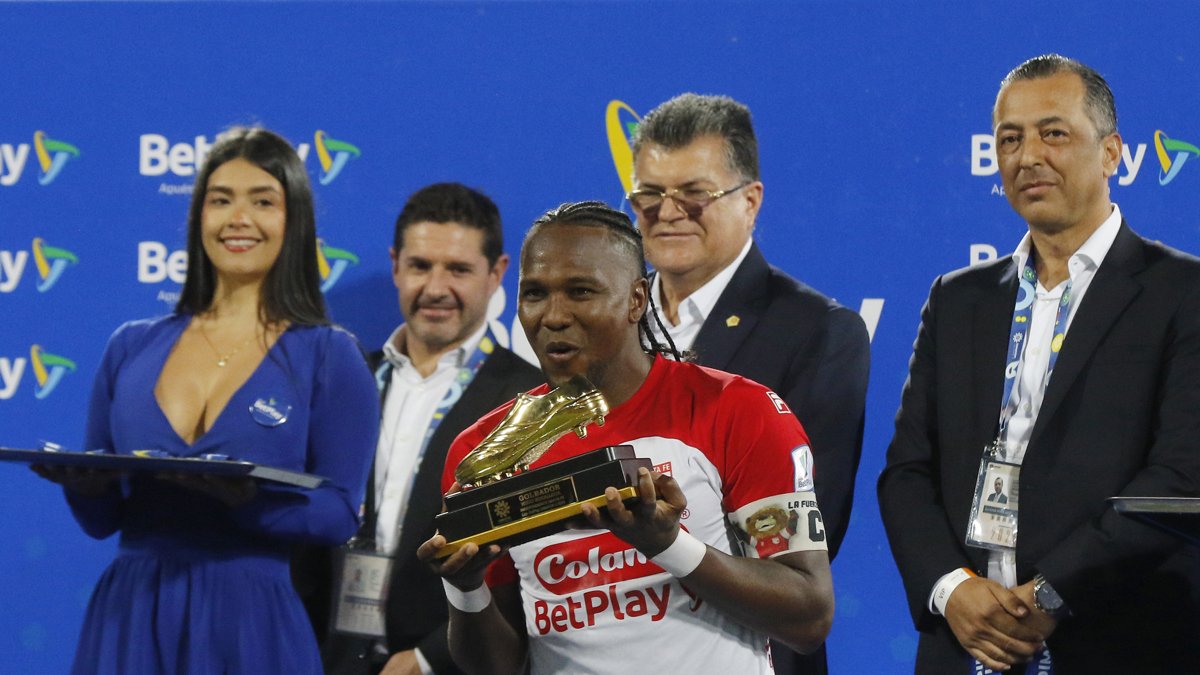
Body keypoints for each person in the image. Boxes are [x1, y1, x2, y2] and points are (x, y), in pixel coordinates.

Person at [878, 54, 1200, 673]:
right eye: (1010, 138)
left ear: (1111, 154)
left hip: (1118, 641)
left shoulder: (1181, 293)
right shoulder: (958, 298)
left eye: (1053, 133)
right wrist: (953, 591)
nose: (1028, 156)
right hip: (965, 644)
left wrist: (1053, 593)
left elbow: (1180, 481)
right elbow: (908, 473)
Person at [418, 201, 834, 674]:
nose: (552, 316)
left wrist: (667, 543)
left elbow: (809, 614)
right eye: (534, 294)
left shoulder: (740, 411)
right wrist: (466, 589)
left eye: (580, 291)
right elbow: (499, 667)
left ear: (637, 299)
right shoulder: (483, 452)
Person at [35, 127, 379, 674]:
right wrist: (88, 489)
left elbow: (339, 513)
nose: (237, 218)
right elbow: (103, 520)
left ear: (294, 222)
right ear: (199, 217)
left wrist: (250, 502)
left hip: (251, 625)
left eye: (262, 201)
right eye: (220, 200)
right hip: (130, 617)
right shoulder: (130, 346)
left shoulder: (329, 355)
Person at [627, 93, 870, 674]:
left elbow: (809, 534)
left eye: (694, 193)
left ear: (751, 201)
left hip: (747, 650)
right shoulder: (608, 325)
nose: (668, 211)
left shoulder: (819, 332)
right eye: (648, 195)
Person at [299, 183, 542, 675]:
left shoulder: (530, 402)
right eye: (420, 266)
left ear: (497, 274)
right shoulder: (339, 384)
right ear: (395, 266)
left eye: (457, 269)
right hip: (325, 658)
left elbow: (535, 561)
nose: (435, 288)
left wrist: (433, 658)